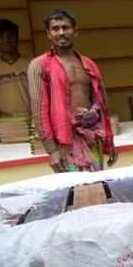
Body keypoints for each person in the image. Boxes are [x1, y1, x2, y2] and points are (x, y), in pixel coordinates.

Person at [28, 9, 117, 173]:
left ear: (75, 32)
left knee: (96, 186)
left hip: (92, 136)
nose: (61, 33)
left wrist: (109, 141)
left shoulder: (89, 64)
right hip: (63, 140)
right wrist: (52, 150)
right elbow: (38, 108)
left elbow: (102, 103)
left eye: (65, 27)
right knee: (74, 191)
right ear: (48, 34)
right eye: (55, 29)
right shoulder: (40, 65)